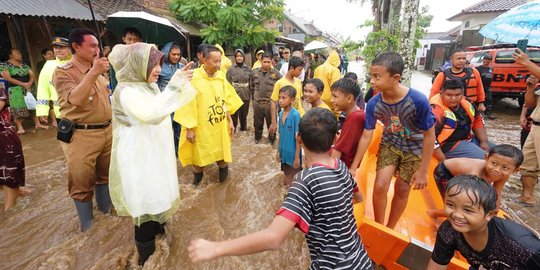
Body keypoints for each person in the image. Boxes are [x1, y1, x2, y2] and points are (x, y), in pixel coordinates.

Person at [188, 108, 374, 269]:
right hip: (361, 260)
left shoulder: (305, 180)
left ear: (298, 138)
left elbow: (273, 237)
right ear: (335, 138)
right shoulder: (340, 167)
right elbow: (358, 198)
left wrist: (215, 248)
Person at [108, 42, 195, 266]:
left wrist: (174, 86)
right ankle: (147, 259)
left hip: (154, 154)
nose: (158, 69)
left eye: (159, 64)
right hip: (139, 158)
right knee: (144, 204)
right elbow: (153, 114)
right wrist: (176, 86)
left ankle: (163, 242)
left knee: (158, 196)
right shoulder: (127, 92)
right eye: (153, 65)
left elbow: (159, 106)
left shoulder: (148, 86)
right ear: (136, 65)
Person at [349, 52, 436, 229]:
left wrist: (423, 171)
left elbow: (429, 136)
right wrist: (354, 165)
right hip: (390, 144)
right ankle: (380, 227)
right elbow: (367, 134)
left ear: (395, 78)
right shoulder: (374, 103)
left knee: (402, 190)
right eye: (371, 76)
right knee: (380, 185)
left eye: (376, 77)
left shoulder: (418, 100)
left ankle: (390, 226)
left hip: (414, 149)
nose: (371, 81)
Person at [52, 28, 112, 231]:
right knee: (81, 183)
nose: (98, 49)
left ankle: (107, 216)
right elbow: (76, 99)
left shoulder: (100, 71)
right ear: (76, 47)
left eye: (98, 45)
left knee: (105, 177)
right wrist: (94, 72)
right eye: (92, 45)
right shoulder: (63, 72)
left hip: (107, 131)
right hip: (81, 135)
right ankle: (88, 229)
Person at [427, 175, 540, 270]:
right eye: (450, 205)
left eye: (468, 210)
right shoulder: (449, 230)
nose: (456, 214)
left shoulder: (522, 248)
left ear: (490, 214)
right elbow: (437, 265)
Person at [174, 45, 243, 185]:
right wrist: (190, 128)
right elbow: (186, 104)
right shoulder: (193, 78)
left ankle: (224, 188)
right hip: (201, 127)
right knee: (199, 160)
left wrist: (230, 121)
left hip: (219, 126)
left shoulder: (221, 77)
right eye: (215, 61)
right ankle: (197, 186)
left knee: (223, 158)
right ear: (204, 60)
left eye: (219, 61)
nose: (218, 65)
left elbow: (226, 101)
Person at [428, 144, 523, 222]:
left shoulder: (504, 175)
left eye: (505, 167)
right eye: (494, 163)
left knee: (474, 209)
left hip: (465, 177)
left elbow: (497, 194)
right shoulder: (475, 172)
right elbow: (469, 198)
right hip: (445, 173)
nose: (497, 170)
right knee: (458, 205)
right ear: (486, 158)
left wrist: (494, 213)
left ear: (515, 170)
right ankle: (433, 213)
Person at [430, 79, 491, 161]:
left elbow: (477, 120)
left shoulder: (467, 102)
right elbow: (430, 138)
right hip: (447, 145)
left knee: (498, 152)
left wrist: (484, 142)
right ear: (441, 93)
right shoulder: (435, 110)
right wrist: (442, 160)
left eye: (457, 95)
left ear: (462, 93)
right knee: (487, 159)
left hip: (468, 139)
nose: (453, 98)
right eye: (449, 95)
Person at [512, 49, 540, 206]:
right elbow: (530, 103)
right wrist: (530, 86)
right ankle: (527, 197)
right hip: (535, 127)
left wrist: (526, 62)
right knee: (528, 165)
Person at [0, 80, 30, 211]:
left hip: (4, 139)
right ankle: (19, 192)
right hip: (16, 91)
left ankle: (10, 218)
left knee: (9, 176)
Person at [1, 48, 46, 133]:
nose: (20, 54)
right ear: (10, 55)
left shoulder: (24, 65)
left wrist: (29, 83)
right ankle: (20, 128)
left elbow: (32, 75)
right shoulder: (5, 65)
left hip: (28, 88)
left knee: (33, 105)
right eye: (17, 53)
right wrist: (22, 84)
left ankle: (38, 124)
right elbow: (7, 78)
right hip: (15, 90)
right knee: (18, 108)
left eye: (19, 53)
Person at [36, 37, 72, 128]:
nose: (58, 50)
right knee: (66, 138)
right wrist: (42, 110)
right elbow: (43, 89)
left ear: (70, 48)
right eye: (56, 48)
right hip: (60, 112)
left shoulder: (77, 62)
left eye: (62, 47)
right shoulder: (48, 65)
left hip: (82, 110)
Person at [158, 42, 185, 158]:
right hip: (166, 104)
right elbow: (156, 85)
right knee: (167, 130)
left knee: (179, 130)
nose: (176, 57)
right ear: (167, 53)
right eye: (173, 54)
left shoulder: (181, 67)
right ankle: (167, 154)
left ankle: (179, 153)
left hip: (179, 103)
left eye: (178, 54)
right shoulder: (159, 67)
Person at [331, 78, 364, 168]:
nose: (331, 100)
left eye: (335, 96)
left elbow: (338, 150)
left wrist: (330, 174)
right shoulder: (356, 114)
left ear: (349, 98)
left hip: (343, 166)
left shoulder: (355, 117)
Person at [270, 56, 305, 136]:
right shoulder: (280, 83)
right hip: (286, 117)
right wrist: (274, 121)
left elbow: (300, 100)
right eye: (299, 70)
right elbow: (273, 102)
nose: (301, 73)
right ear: (291, 68)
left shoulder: (299, 82)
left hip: (300, 116)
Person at [250, 52, 281, 144]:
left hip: (270, 104)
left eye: (268, 62)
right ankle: (257, 138)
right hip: (257, 103)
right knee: (257, 123)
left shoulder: (276, 74)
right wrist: (255, 98)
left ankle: (272, 139)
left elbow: (280, 89)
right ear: (261, 61)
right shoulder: (254, 73)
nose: (266, 64)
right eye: (264, 61)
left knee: (271, 123)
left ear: (271, 62)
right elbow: (251, 87)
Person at [276, 85, 301, 186]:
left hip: (292, 154)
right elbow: (280, 134)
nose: (280, 101)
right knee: (286, 174)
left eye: (283, 98)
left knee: (294, 178)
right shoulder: (281, 114)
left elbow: (298, 138)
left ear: (292, 100)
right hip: (284, 152)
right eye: (279, 98)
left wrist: (297, 158)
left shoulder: (295, 115)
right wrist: (278, 151)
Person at [110, 27, 142, 91]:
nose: (132, 42)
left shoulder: (143, 57)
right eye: (129, 39)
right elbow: (113, 77)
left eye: (135, 39)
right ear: (124, 39)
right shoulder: (117, 56)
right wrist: (115, 92)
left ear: (140, 40)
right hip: (122, 91)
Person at [227, 49, 251, 132]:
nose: (239, 58)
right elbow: (227, 83)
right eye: (237, 56)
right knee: (233, 116)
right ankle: (233, 132)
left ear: (243, 57)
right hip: (234, 95)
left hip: (245, 95)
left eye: (240, 56)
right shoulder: (231, 69)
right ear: (235, 57)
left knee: (244, 116)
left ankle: (243, 130)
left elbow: (251, 83)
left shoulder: (248, 69)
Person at [475, 54, 494, 119]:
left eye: (488, 59)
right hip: (480, 87)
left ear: (490, 61)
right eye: (485, 59)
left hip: (487, 88)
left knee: (489, 100)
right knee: (478, 101)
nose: (486, 61)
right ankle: (477, 114)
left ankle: (488, 114)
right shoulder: (478, 68)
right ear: (483, 59)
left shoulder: (491, 69)